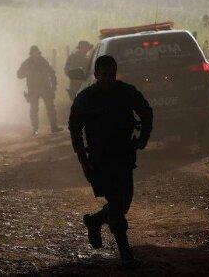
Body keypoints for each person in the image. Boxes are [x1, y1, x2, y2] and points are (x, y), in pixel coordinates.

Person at [68, 55, 153, 268]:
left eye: (111, 74)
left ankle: (95, 220)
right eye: (103, 74)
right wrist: (83, 160)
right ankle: (125, 255)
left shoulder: (126, 92)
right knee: (116, 203)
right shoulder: (86, 98)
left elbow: (146, 112)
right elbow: (75, 129)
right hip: (99, 159)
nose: (107, 78)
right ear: (96, 75)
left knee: (124, 202)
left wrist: (143, 138)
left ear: (116, 74)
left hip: (124, 156)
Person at [18, 45, 62, 136]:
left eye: (37, 53)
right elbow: (19, 75)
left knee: (50, 108)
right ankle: (35, 129)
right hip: (33, 89)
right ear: (31, 54)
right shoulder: (27, 63)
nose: (36, 55)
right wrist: (26, 73)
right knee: (34, 109)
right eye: (34, 53)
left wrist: (54, 87)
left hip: (45, 88)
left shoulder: (43, 61)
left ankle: (54, 127)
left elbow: (52, 73)